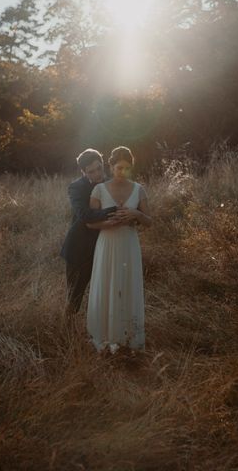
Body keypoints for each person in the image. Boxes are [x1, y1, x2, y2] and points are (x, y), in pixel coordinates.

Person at [86, 146, 152, 354]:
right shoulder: (99, 190)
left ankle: (127, 336)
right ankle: (106, 337)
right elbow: (90, 224)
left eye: (126, 168)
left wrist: (136, 214)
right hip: (107, 243)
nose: (122, 172)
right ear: (111, 166)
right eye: (118, 168)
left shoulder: (139, 189)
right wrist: (111, 223)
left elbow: (150, 222)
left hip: (129, 245)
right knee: (108, 285)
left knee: (127, 286)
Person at [60, 149, 118, 316]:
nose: (97, 174)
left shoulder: (112, 184)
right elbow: (84, 215)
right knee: (74, 297)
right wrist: (113, 210)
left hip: (106, 244)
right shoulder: (76, 187)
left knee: (106, 293)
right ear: (83, 172)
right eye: (91, 171)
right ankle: (68, 333)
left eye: (99, 168)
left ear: (103, 164)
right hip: (80, 248)